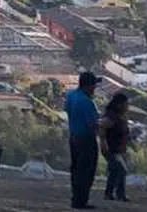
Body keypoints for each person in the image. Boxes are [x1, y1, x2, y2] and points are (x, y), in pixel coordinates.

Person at [65, 71, 101, 210]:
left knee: (76, 169)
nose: (94, 88)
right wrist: (103, 124)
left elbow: (67, 111)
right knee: (86, 171)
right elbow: (92, 124)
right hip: (86, 139)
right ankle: (81, 201)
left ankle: (76, 198)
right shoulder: (87, 102)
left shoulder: (71, 96)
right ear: (87, 85)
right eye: (93, 85)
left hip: (73, 137)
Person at [100, 91, 130, 203]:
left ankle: (113, 194)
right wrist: (103, 142)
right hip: (111, 148)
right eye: (126, 104)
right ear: (119, 104)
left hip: (119, 148)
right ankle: (117, 194)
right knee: (120, 169)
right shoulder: (111, 115)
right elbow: (102, 127)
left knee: (116, 171)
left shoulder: (119, 116)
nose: (127, 107)